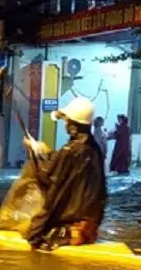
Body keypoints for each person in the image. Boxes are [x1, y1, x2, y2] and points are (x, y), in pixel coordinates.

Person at [21, 97, 107, 249]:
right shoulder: (94, 148)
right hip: (90, 224)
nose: (65, 125)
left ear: (74, 125)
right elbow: (60, 163)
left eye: (67, 122)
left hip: (70, 226)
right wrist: (40, 149)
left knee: (33, 236)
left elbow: (48, 175)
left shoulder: (71, 150)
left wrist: (34, 152)